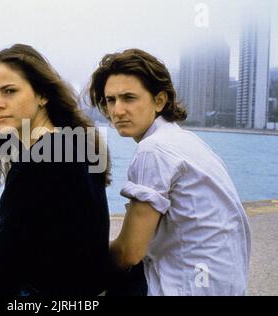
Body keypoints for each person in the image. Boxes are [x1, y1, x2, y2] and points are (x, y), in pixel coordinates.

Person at [88, 48, 251, 296]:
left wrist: (78, 262)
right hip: (226, 284)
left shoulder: (153, 150)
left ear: (159, 101)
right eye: (111, 100)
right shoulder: (186, 140)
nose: (117, 111)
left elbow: (128, 253)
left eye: (129, 98)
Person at [0, 43, 112, 295]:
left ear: (43, 95)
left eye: (9, 91)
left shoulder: (39, 161)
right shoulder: (77, 143)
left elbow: (4, 256)